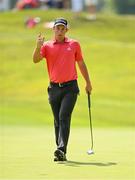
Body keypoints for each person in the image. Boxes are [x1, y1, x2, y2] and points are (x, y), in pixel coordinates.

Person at [33, 18, 92, 161]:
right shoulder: (46, 46)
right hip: (54, 88)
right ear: (53, 29)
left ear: (66, 30)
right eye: (57, 28)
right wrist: (37, 46)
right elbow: (35, 59)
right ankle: (61, 154)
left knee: (63, 116)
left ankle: (60, 148)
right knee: (57, 121)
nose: (59, 31)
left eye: (62, 28)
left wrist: (88, 83)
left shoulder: (74, 44)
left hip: (70, 88)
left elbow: (81, 63)